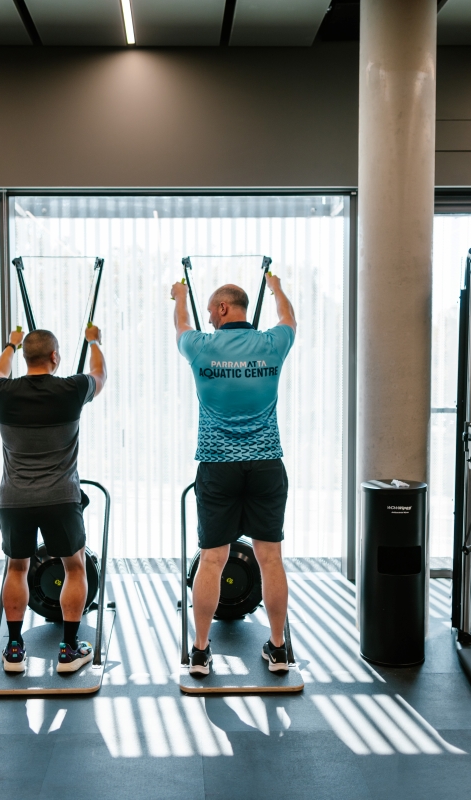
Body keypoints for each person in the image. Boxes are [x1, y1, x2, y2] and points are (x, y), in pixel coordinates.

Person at [170, 274, 297, 675]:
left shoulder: (201, 348)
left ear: (224, 308)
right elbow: (289, 318)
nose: (208, 319)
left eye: (211, 311)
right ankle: (278, 649)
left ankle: (201, 651)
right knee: (271, 558)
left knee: (212, 559)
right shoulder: (272, 344)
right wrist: (276, 288)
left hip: (218, 466)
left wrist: (180, 295)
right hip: (265, 464)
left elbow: (181, 325)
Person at [0, 324, 106, 673]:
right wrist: (94, 341)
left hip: (14, 499)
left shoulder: (1, 392)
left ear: (24, 357)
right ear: (55, 357)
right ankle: (68, 651)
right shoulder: (72, 388)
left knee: (17, 567)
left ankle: (13, 650)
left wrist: (10, 344)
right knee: (74, 566)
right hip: (60, 498)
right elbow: (100, 374)